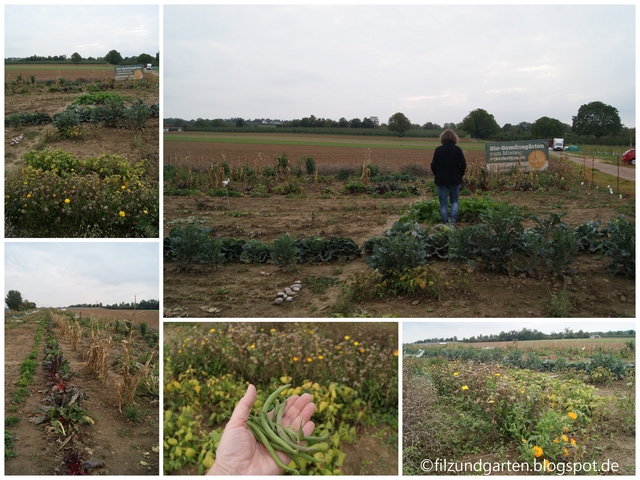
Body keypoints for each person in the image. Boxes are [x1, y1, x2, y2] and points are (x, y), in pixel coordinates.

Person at [207, 384, 317, 475]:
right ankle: (298, 455)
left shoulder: (262, 422)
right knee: (279, 433)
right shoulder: (255, 425)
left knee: (280, 429)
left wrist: (227, 470)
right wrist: (227, 469)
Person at [430, 129, 467, 224]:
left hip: (441, 179)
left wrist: (437, 174)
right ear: (454, 138)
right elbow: (463, 164)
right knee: (454, 200)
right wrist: (461, 174)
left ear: (442, 138)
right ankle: (453, 221)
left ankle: (445, 222)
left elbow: (433, 165)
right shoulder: (457, 150)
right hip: (455, 179)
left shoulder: (438, 150)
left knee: (443, 202)